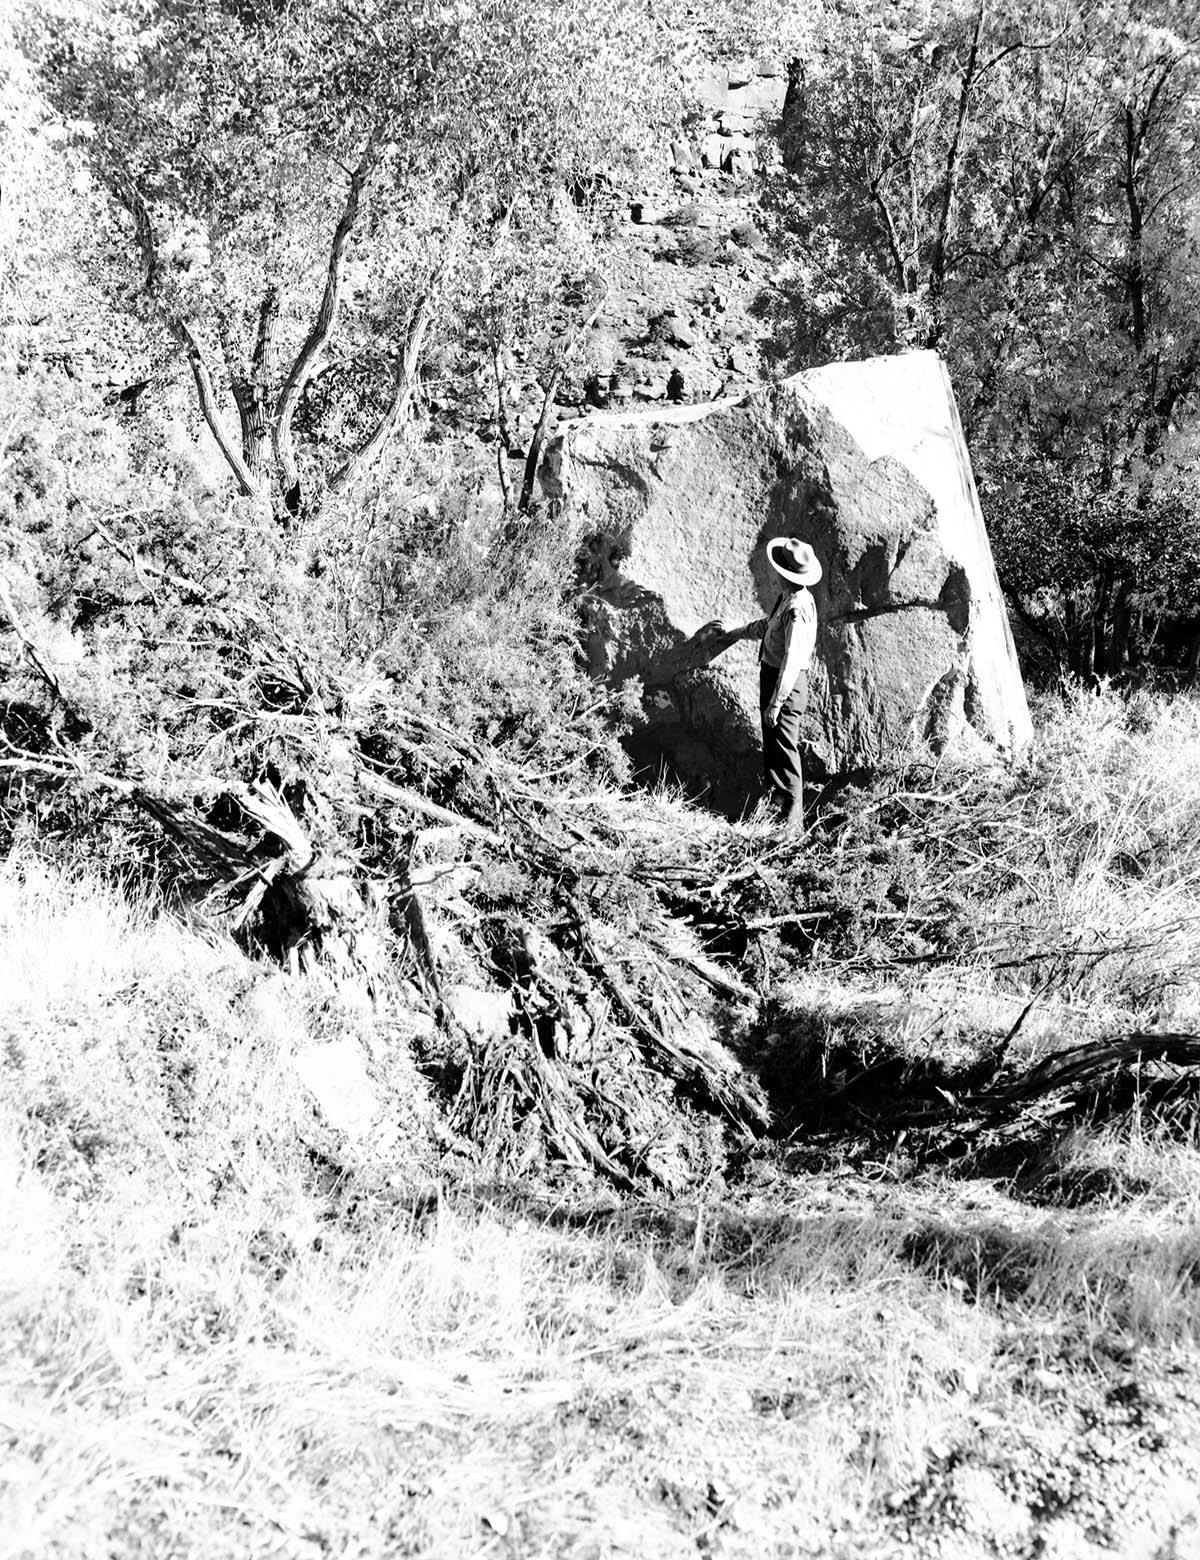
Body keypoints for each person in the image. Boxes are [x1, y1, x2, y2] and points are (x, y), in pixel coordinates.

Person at [700, 537, 822, 830]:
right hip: (775, 680)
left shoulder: (798, 609)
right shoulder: (788, 598)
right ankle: (777, 818)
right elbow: (766, 629)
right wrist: (733, 632)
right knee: (773, 752)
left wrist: (776, 703)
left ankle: (791, 830)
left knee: (784, 754)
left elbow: (792, 659)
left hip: (786, 687)